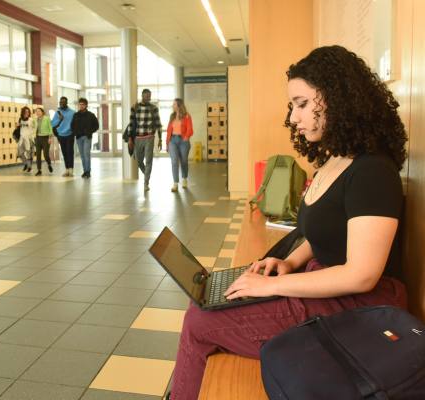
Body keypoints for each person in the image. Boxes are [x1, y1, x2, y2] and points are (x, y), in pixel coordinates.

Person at [168, 45, 408, 400]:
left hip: (358, 308)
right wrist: (289, 262)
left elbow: (362, 273)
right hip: (321, 283)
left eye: (302, 104)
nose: (294, 118)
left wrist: (271, 288)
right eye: (293, 106)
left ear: (339, 98)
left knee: (200, 322)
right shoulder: (335, 161)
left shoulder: (373, 171)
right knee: (202, 303)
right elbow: (327, 230)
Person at [131, 88, 162, 191]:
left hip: (149, 137)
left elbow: (158, 124)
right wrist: (131, 139)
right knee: (139, 161)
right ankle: (146, 174)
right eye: (147, 95)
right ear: (142, 95)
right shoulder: (135, 107)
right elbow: (131, 124)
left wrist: (160, 139)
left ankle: (146, 183)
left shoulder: (154, 108)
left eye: (150, 95)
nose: (149, 97)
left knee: (149, 161)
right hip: (138, 138)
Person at [166, 98, 193, 192]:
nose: (172, 106)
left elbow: (190, 128)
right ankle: (175, 183)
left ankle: (184, 178)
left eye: (174, 104)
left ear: (179, 106)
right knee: (174, 162)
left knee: (184, 161)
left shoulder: (186, 116)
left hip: (183, 141)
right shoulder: (172, 116)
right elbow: (169, 130)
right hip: (172, 140)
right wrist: (167, 143)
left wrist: (186, 137)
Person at [71, 97, 99, 178]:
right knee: (82, 155)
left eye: (83, 104)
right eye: (80, 104)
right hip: (79, 138)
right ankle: (84, 171)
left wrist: (90, 132)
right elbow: (72, 126)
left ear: (86, 105)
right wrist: (75, 133)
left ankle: (88, 171)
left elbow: (96, 126)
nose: (81, 106)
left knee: (86, 154)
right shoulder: (76, 115)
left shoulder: (91, 115)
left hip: (87, 137)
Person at [51, 96, 75, 177]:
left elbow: (75, 124)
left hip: (70, 135)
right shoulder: (57, 112)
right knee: (64, 153)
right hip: (61, 135)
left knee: (70, 152)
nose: (61, 103)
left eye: (63, 102)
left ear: (66, 103)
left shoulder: (72, 112)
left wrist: (73, 132)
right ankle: (67, 169)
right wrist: (60, 120)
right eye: (60, 102)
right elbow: (53, 124)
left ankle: (71, 170)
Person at [33, 107, 53, 176]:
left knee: (45, 154)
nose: (37, 113)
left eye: (39, 111)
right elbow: (32, 127)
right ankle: (39, 170)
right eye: (36, 111)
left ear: (42, 112)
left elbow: (50, 128)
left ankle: (49, 164)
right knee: (38, 154)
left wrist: (50, 138)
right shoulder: (35, 120)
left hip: (46, 138)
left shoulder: (47, 118)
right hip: (38, 138)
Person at [16, 106, 35, 172]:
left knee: (29, 153)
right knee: (20, 153)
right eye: (25, 111)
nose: (27, 113)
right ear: (23, 112)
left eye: (28, 112)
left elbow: (33, 128)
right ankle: (26, 164)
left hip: (29, 138)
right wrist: (17, 126)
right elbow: (18, 128)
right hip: (22, 138)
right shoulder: (20, 119)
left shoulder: (31, 119)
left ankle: (29, 167)